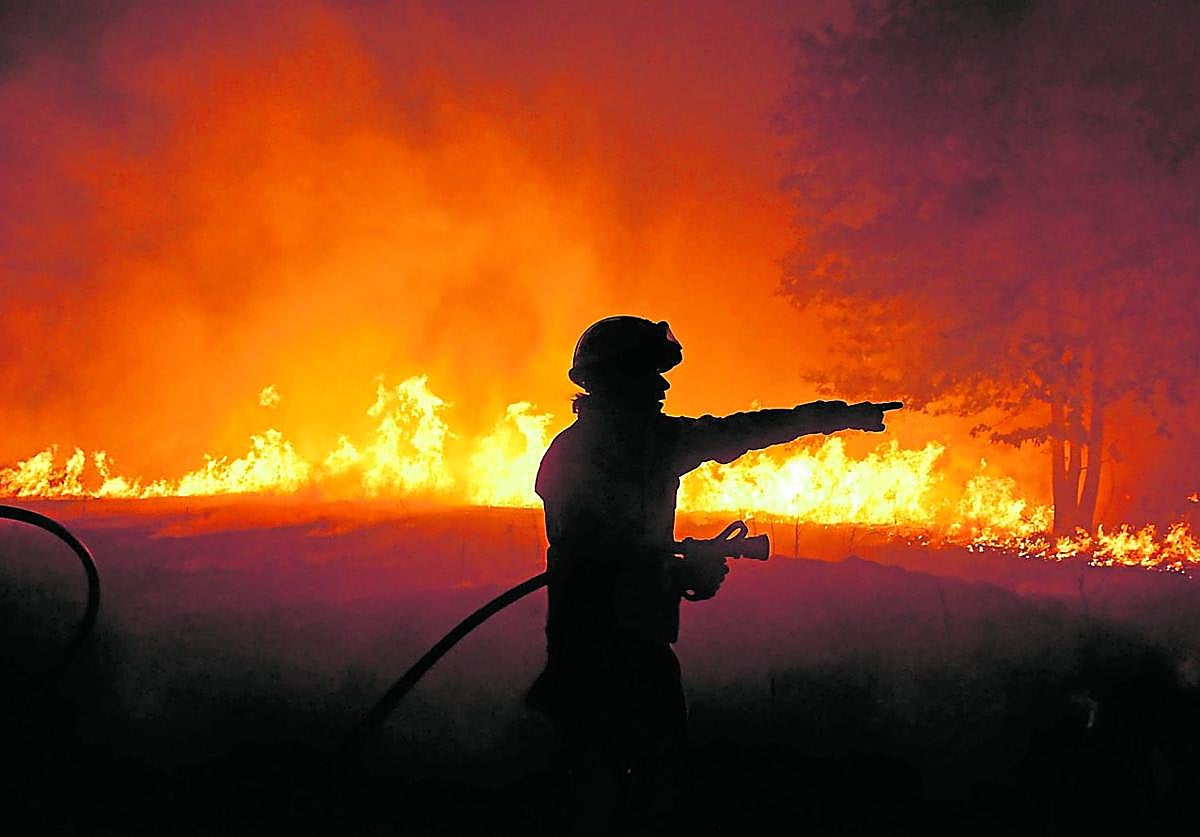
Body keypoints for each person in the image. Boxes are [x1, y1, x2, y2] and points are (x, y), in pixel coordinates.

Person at [528, 315, 899, 830]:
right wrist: (678, 570)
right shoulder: (612, 450)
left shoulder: (626, 443)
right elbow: (599, 558)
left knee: (622, 786)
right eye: (648, 374)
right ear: (616, 380)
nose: (663, 386)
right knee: (619, 791)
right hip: (605, 651)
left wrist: (839, 416)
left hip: (619, 643)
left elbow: (744, 431)